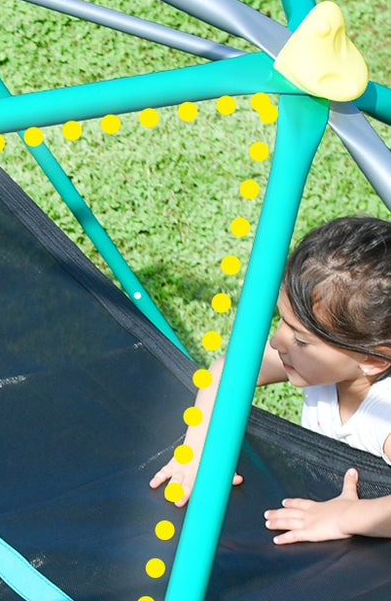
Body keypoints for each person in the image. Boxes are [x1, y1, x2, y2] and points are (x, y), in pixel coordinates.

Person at [152, 215, 391, 542]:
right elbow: (230, 370)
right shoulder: (336, 363)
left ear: (372, 359)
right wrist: (198, 449)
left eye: (301, 339)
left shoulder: (384, 414)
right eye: (282, 321)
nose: (278, 341)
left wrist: (345, 518)